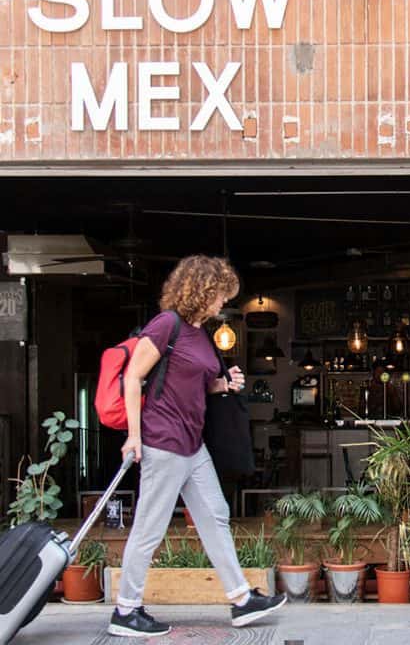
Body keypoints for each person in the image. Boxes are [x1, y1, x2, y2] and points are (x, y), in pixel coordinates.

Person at [110, 255, 286, 638]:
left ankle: (241, 599)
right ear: (203, 290)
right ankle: (126, 610)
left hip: (192, 443)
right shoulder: (166, 325)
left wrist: (224, 384)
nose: (223, 303)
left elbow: (196, 383)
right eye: (221, 295)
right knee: (150, 527)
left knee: (215, 512)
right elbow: (132, 378)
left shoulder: (200, 332)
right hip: (163, 440)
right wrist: (135, 437)